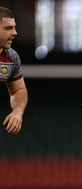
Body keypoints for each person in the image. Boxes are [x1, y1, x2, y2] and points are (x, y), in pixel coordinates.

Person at [0, 7, 28, 135]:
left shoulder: (12, 57)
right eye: (8, 28)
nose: (15, 32)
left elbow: (18, 90)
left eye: (14, 27)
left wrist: (17, 111)